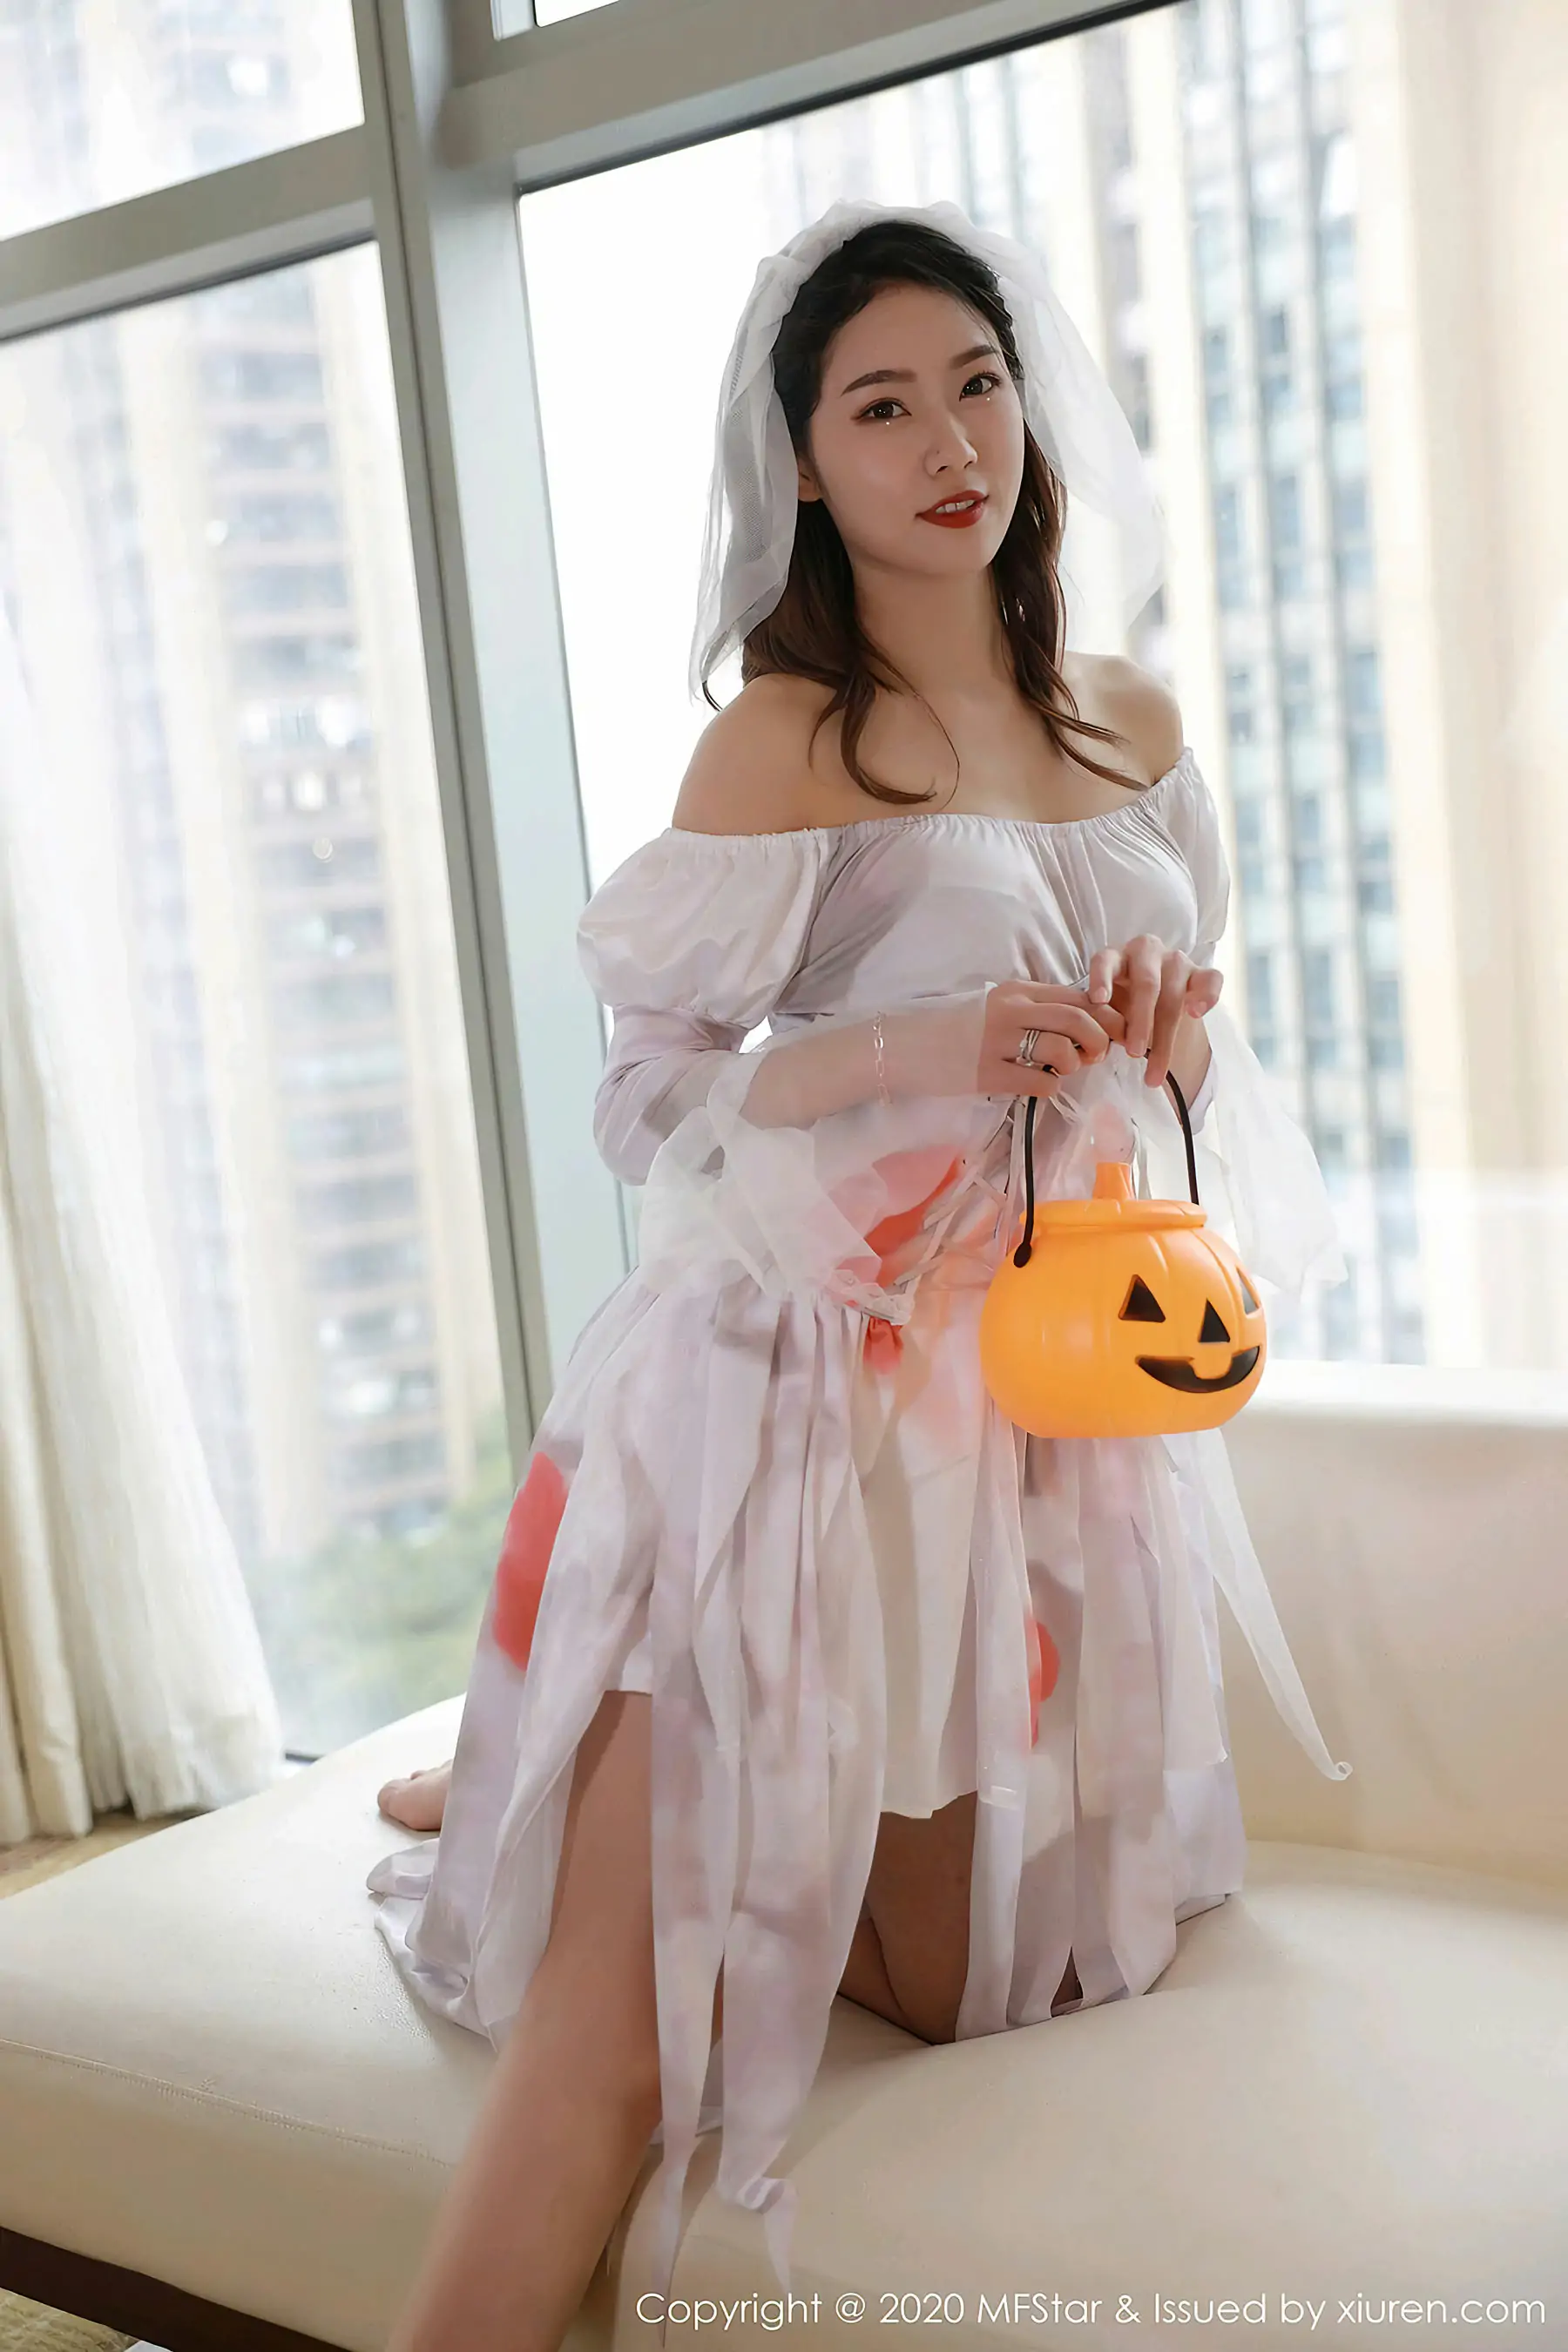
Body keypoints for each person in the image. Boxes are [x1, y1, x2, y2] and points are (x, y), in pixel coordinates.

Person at [368, 199, 1351, 2352]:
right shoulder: (787, 742)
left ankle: (535, 1753)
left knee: (977, 1974)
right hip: (800, 1392)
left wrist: (1168, 1035)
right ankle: (576, 1761)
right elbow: (649, 1097)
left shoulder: (1135, 725)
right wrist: (920, 1045)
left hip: (1036, 1425)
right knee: (632, 2033)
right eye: (882, 407)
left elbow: (1186, 1070)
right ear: (806, 465)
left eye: (977, 385)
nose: (948, 443)